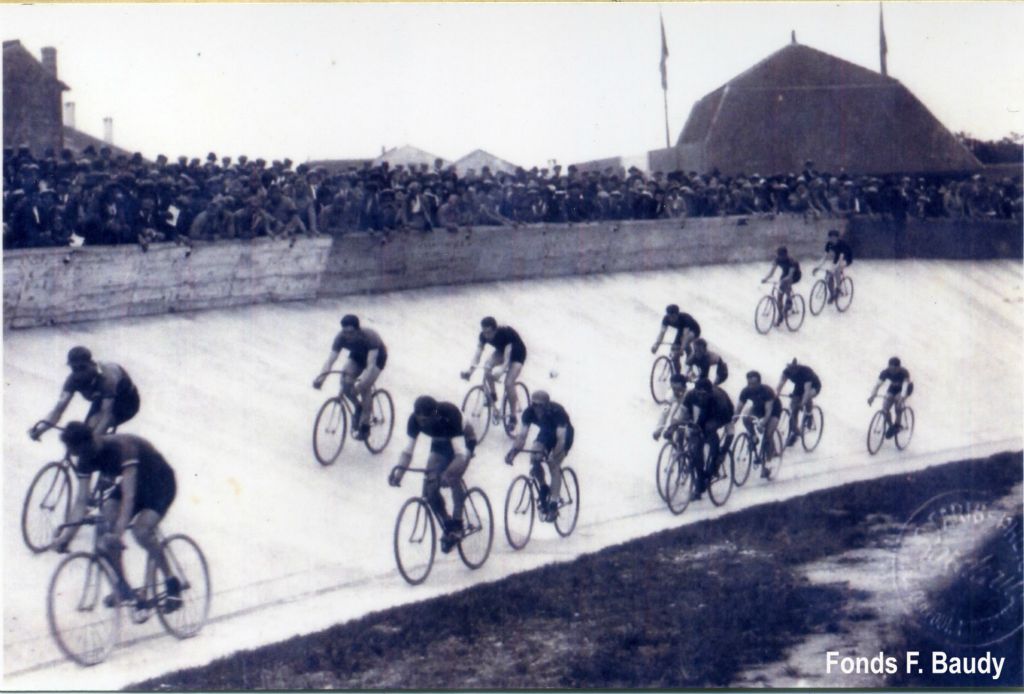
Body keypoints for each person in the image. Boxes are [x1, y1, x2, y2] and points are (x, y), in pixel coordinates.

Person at [53, 422, 181, 611]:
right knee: (104, 526)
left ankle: (172, 583)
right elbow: (81, 501)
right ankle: (124, 588)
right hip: (135, 485)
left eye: (82, 453)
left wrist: (118, 533)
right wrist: (66, 537)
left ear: (90, 442)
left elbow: (128, 498)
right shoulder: (84, 455)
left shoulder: (122, 447)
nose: (81, 458)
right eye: (77, 455)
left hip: (159, 483)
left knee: (141, 531)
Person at [389, 396, 477, 553]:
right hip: (440, 442)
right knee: (429, 490)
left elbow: (460, 456)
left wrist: (447, 474)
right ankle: (448, 524)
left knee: (452, 477)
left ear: (435, 415)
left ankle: (458, 523)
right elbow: (407, 451)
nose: (422, 423)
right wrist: (399, 473)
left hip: (463, 440)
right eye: (420, 420)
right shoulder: (414, 420)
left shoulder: (449, 415)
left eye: (426, 420)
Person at [29, 346, 141, 440]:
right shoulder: (72, 380)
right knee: (85, 431)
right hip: (101, 400)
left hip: (126, 403)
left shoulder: (106, 379)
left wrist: (92, 442)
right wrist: (41, 429)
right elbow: (58, 409)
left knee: (92, 435)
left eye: (82, 367)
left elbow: (106, 415)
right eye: (74, 368)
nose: (79, 373)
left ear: (91, 364)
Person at [312, 315, 387, 440]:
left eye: (351, 333)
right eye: (345, 332)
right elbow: (330, 360)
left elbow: (370, 365)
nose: (348, 336)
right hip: (357, 356)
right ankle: (358, 406)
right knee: (345, 382)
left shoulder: (370, 337)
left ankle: (365, 425)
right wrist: (321, 378)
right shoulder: (340, 337)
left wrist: (362, 384)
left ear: (358, 330)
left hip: (376, 359)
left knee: (364, 387)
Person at [505, 390, 574, 522]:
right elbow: (522, 436)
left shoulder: (557, 412)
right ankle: (543, 487)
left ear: (546, 405)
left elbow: (561, 439)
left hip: (564, 435)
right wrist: (513, 452)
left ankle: (553, 503)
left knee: (553, 465)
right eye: (534, 404)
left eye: (539, 405)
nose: (536, 408)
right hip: (547, 432)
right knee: (534, 457)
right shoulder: (529, 412)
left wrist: (554, 456)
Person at [461, 317, 527, 429]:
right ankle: (493, 394)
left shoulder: (505, 333)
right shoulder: (482, 336)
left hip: (517, 354)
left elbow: (507, 357)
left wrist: (501, 370)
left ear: (495, 330)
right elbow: (477, 355)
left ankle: (513, 416)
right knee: (487, 367)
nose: (486, 335)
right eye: (484, 332)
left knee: (508, 383)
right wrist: (470, 371)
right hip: (501, 351)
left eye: (489, 332)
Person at [679, 378, 734, 499]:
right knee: (696, 443)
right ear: (695, 390)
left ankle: (713, 466)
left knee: (709, 430)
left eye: (703, 394)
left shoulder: (719, 399)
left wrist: (723, 452)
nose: (700, 396)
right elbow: (682, 414)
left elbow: (730, 432)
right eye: (698, 393)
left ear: (709, 392)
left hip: (722, 415)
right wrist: (674, 426)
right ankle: (700, 477)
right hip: (704, 412)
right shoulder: (692, 394)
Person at [736, 370, 783, 477]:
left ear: (759, 383)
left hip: (773, 410)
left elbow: (768, 412)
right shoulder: (746, 391)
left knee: (767, 435)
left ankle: (768, 463)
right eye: (749, 383)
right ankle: (753, 437)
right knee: (745, 417)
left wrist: (762, 423)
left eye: (753, 384)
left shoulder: (767, 391)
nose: (751, 386)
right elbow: (738, 409)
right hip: (758, 408)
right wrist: (732, 421)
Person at [776, 359, 822, 447]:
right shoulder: (786, 372)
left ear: (797, 368)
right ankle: (794, 432)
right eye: (791, 370)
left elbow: (807, 390)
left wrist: (802, 403)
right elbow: (781, 383)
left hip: (814, 386)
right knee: (793, 408)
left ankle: (809, 414)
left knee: (806, 397)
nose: (792, 372)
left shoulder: (806, 372)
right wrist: (776, 394)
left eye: (794, 370)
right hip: (799, 386)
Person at [868, 357, 914, 438]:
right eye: (891, 369)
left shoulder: (904, 372)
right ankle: (891, 427)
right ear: (888, 367)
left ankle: (897, 425)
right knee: (885, 407)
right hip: (893, 387)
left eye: (895, 370)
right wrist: (872, 396)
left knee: (898, 403)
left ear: (899, 368)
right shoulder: (885, 372)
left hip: (906, 388)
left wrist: (901, 397)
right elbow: (877, 385)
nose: (893, 372)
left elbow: (905, 386)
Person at [650, 304, 701, 375]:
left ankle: (690, 364)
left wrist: (681, 349)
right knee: (674, 354)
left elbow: (685, 336)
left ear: (677, 314)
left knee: (685, 343)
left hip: (693, 329)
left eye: (673, 317)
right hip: (681, 330)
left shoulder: (685, 319)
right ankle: (677, 374)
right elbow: (661, 333)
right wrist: (656, 345)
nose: (671, 319)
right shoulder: (666, 319)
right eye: (669, 317)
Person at [761, 247, 802, 326]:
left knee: (786, 282)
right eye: (778, 255)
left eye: (780, 256)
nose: (778, 257)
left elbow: (790, 276)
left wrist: (783, 281)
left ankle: (789, 300)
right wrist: (765, 278)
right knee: (779, 296)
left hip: (795, 275)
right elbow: (772, 272)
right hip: (785, 273)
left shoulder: (791, 262)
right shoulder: (777, 259)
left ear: (785, 255)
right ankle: (780, 316)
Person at [813, 229, 853, 303]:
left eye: (833, 238)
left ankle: (838, 288)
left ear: (837, 238)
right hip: (837, 258)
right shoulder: (829, 244)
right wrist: (817, 267)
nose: (831, 239)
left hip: (846, 258)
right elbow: (824, 257)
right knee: (829, 275)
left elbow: (841, 258)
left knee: (837, 270)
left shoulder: (842, 244)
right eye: (830, 238)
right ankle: (832, 294)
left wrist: (834, 268)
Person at [653, 373, 688, 441]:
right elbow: (664, 413)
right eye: (673, 389)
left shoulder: (690, 393)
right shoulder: (671, 395)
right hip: (680, 411)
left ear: (684, 387)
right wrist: (658, 429)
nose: (676, 392)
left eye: (679, 389)